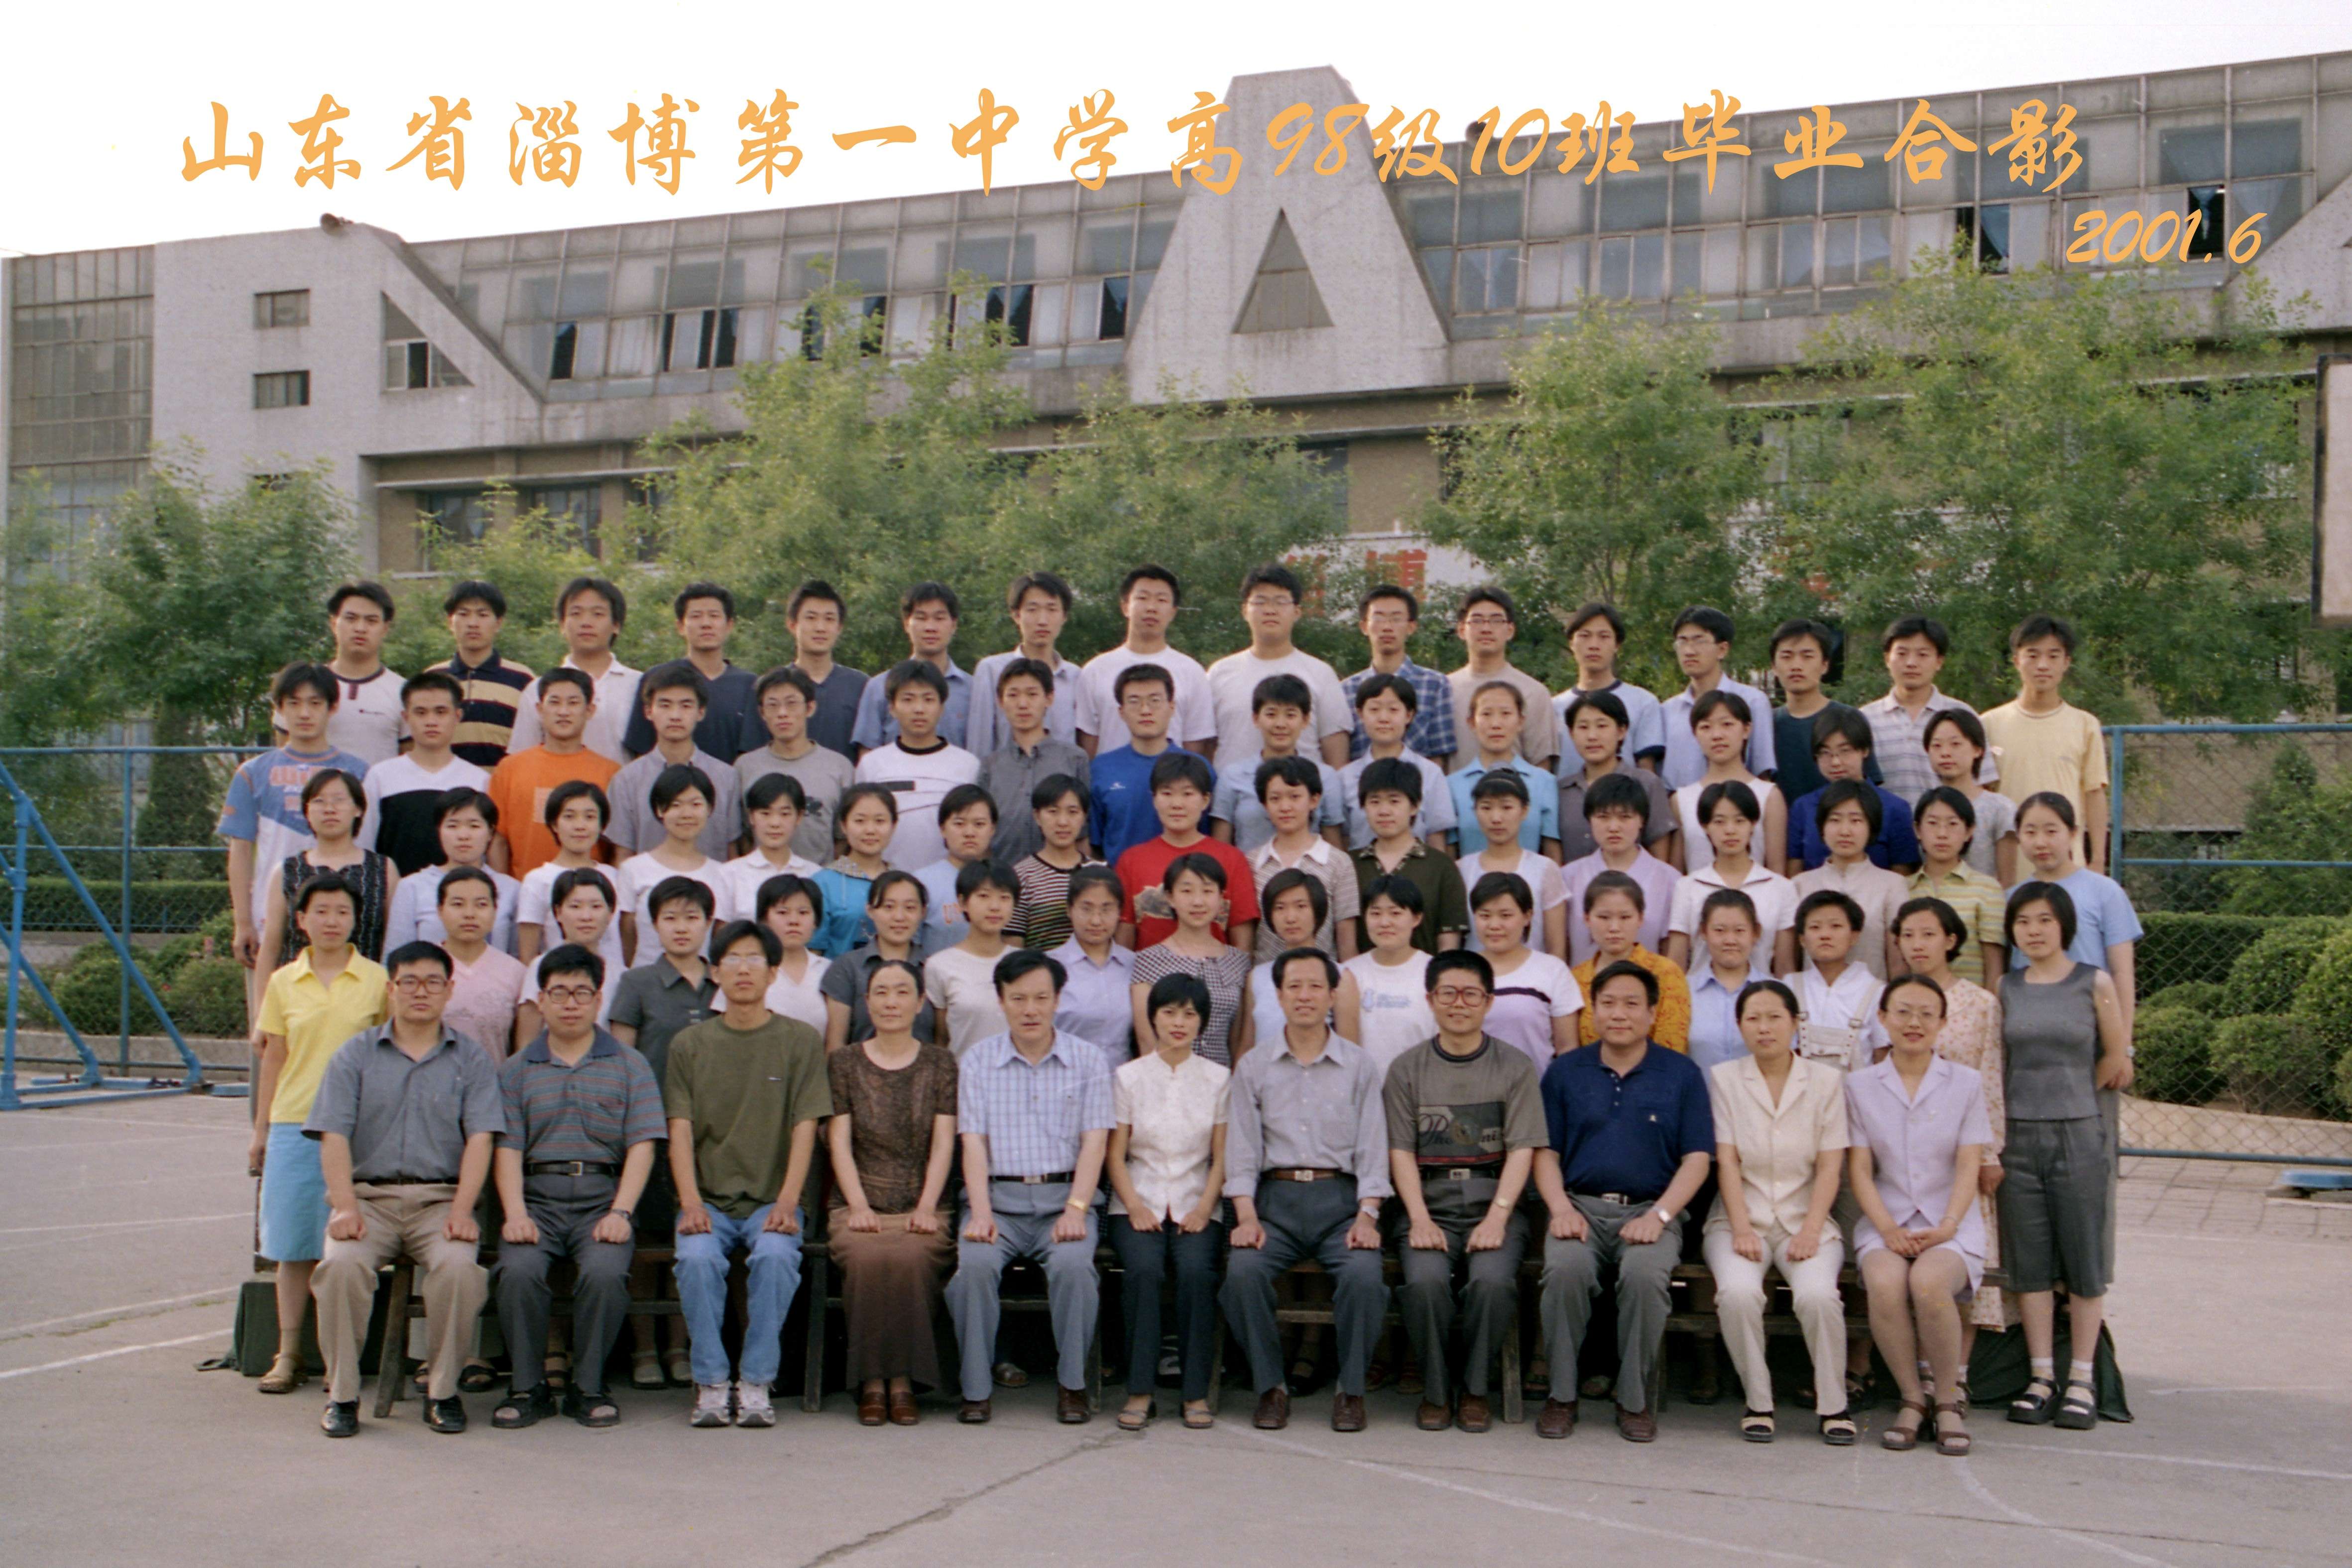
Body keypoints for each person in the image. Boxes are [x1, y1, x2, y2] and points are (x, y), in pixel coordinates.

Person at [304, 939, 502, 1437]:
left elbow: (481, 1139)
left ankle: (442, 1391)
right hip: (368, 1202)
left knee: (460, 1271)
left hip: (440, 1202)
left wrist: (463, 1209)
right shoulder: (355, 1055)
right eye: (408, 982)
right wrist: (344, 1207)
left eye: (433, 982)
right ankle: (342, 1396)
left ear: (449, 990)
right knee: (340, 1268)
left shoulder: (470, 1059)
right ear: (391, 989)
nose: (420, 992)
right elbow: (333, 1135)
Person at [1532, 959, 1714, 1442]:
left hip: (1650, 1210)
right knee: (1564, 1272)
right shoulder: (1565, 1072)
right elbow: (1545, 1153)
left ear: (1653, 1013)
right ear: (1592, 1011)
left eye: (1632, 1004)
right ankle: (1561, 1395)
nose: (1619, 1014)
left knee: (1644, 1278)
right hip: (1579, 1208)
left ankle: (1633, 1399)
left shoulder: (1681, 1073)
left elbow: (1697, 1159)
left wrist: (1659, 1215)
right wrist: (1560, 1209)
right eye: (1608, 1003)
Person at [490, 943, 664, 1431]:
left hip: (602, 1201)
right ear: (541, 1001)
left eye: (582, 993)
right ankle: (527, 1387)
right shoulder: (516, 1070)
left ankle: (589, 1386)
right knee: (518, 1271)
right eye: (559, 992)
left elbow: (643, 1145)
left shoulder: (630, 1064)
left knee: (605, 1274)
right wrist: (515, 1214)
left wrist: (621, 1213)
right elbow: (507, 1149)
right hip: (537, 1201)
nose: (571, 1003)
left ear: (598, 999)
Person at [666, 920, 832, 1429]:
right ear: (714, 972)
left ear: (773, 972)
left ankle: (757, 1380)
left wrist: (788, 1201)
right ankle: (712, 1382)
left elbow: (805, 1126)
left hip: (772, 1200)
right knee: (695, 1259)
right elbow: (679, 1130)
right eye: (732, 960)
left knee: (777, 1256)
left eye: (755, 959)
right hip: (707, 1200)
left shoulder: (799, 1040)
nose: (743, 970)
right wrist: (690, 1202)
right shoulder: (690, 1044)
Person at [1221, 948, 1392, 1433]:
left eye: (1315, 986)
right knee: (1242, 1274)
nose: (1304, 996)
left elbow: (1372, 1146)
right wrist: (1246, 1216)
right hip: (1273, 1205)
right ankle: (1270, 1387)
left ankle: (1350, 1390)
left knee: (1364, 1277)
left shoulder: (1358, 1065)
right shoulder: (1254, 1066)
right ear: (1278, 996)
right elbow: (1242, 1147)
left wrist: (1367, 1215)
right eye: (1293, 986)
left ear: (1333, 995)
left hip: (1339, 1204)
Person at [948, 949, 1115, 1424]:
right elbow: (973, 1142)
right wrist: (981, 1211)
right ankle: (975, 1389)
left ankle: (1073, 1385)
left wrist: (1076, 1208)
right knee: (973, 1267)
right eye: (1018, 998)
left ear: (1058, 999)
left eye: (1041, 998)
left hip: (1063, 1201)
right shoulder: (979, 1061)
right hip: (997, 1203)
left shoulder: (1088, 1059)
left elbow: (1095, 1142)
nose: (1030, 1009)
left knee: (1074, 1268)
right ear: (1001, 1001)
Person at [1385, 949, 1544, 1434]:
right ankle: (1436, 1392)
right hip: (1427, 1202)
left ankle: (1475, 1389)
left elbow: (1522, 1149)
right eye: (1448, 993)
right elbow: (1399, 1152)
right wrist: (1418, 1219)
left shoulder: (1514, 1066)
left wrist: (1498, 1217)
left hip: (1493, 1201)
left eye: (1471, 994)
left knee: (1492, 1283)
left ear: (1488, 1002)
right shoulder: (1406, 1069)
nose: (1459, 1004)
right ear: (1430, 999)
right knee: (1425, 1282)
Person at [246, 873, 391, 1399]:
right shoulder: (284, 982)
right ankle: (288, 1353)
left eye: (342, 912)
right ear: (301, 920)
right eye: (321, 911)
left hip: (357, 1131)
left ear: (357, 921)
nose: (332, 921)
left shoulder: (378, 980)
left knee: (345, 1248)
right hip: (294, 1124)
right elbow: (274, 1059)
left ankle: (339, 1360)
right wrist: (262, 1130)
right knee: (293, 1247)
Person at [1999, 882, 2132, 1434]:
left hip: (2078, 1135)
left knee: (2083, 1260)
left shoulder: (2093, 982)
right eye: (2023, 921)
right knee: (2029, 1264)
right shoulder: (2006, 988)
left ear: (2064, 926)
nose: (2033, 931)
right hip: (2017, 1139)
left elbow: (2114, 1057)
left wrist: (2072, 1101)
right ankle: (2040, 1377)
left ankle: (2081, 1379)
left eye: (2044, 920)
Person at [1847, 973, 1996, 1456]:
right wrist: (1887, 1229)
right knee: (1885, 1283)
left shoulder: (1965, 1083)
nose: (1914, 1022)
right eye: (1903, 1012)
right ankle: (1912, 1399)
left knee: (1929, 1284)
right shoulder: (1859, 1085)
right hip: (1886, 1220)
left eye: (1926, 1014)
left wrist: (1947, 1226)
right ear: (1883, 1018)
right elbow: (1860, 1169)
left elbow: (1969, 1164)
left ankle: (1947, 1400)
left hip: (1950, 1221)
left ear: (1942, 1023)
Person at [1704, 978, 1856, 1445]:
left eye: (1775, 1018)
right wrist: (1742, 1228)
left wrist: (1811, 1230)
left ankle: (1834, 1405)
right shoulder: (1725, 1078)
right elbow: (1727, 1160)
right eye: (1753, 1018)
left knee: (1818, 1297)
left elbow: (1830, 1166)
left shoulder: (1826, 1081)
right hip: (1738, 1217)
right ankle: (1758, 1401)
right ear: (1740, 1026)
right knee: (1738, 1294)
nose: (1764, 1028)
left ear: (1795, 1024)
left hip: (1805, 1218)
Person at [826, 957, 960, 1426]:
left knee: (910, 1256)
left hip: (924, 1203)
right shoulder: (844, 1062)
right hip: (857, 1202)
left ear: (921, 1002)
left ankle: (902, 1382)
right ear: (867, 1002)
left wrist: (927, 1206)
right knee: (866, 1257)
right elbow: (839, 1142)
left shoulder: (941, 1063)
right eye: (881, 992)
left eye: (903, 992)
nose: (891, 1002)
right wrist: (858, 1205)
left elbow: (944, 1143)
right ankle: (870, 1383)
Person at [1106, 971, 1232, 1430]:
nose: (1179, 1022)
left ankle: (1195, 1393)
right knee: (1143, 1271)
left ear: (1203, 1022)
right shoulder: (1129, 1077)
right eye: (1169, 1012)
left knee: (1197, 1273)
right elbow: (1115, 1156)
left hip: (1197, 1202)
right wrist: (1135, 1206)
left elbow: (1221, 1157)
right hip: (1135, 1201)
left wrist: (1203, 1209)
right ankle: (1140, 1391)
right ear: (1153, 1018)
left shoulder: (1219, 1079)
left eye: (1190, 1014)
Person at [1896, 895, 2009, 1353]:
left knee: (1957, 1263)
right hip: (1903, 1149)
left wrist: (1989, 1152)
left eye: (1928, 934)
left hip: (1962, 1150)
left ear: (1951, 940)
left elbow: (1990, 1077)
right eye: (1908, 935)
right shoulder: (1893, 1001)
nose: (1918, 944)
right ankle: (1917, 1367)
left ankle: (1954, 1373)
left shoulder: (1980, 1003)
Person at [221, 663, 372, 1004]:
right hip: (270, 926)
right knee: (269, 1023)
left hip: (339, 927)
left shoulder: (359, 773)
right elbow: (240, 851)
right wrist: (243, 923)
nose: (305, 713)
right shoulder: (253, 773)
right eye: (294, 703)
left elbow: (368, 847)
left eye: (315, 703)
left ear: (333, 708)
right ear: (279, 709)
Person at [1982, 615, 2109, 873]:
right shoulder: (1988, 724)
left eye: (2053, 656)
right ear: (2017, 661)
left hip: (2067, 868)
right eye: (2033, 655)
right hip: (2005, 868)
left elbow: (2094, 794)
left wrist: (2097, 860)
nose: (2043, 665)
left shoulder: (2085, 725)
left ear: (2066, 663)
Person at [2011, 792, 2140, 1024]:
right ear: (2019, 837)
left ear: (2073, 834)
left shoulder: (2105, 892)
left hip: (2088, 1023)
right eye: (2030, 833)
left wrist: (2123, 1038)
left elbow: (2122, 972)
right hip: (2026, 1025)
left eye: (2051, 832)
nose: (2040, 842)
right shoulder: (2012, 897)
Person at [1208, 564, 1353, 768]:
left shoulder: (1321, 673)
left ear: (1297, 612)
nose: (1270, 610)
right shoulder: (1219, 673)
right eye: (1260, 601)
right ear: (1245, 611)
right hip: (1235, 788)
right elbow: (1206, 745)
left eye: (1280, 602)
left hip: (1300, 786)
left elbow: (1336, 752)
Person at [1114, 752, 1258, 952]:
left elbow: (1242, 937)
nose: (1177, 804)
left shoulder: (1231, 859)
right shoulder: (1132, 860)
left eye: (1188, 794)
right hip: (1149, 972)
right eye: (1167, 794)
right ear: (1154, 799)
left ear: (1205, 800)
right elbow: (1124, 934)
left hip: (1215, 970)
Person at [487, 669, 623, 881]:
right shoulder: (510, 769)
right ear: (540, 709)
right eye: (555, 702)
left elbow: (617, 847)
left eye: (573, 703)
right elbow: (498, 840)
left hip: (588, 893)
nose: (563, 712)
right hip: (523, 890)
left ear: (590, 710)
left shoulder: (611, 773)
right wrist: (503, 890)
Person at [257, 769, 394, 973]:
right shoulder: (286, 871)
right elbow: (271, 947)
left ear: (358, 809)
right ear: (307, 811)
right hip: (299, 987)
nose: (330, 809)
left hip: (366, 985)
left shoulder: (384, 869)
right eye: (319, 801)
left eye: (339, 800)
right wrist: (263, 994)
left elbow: (393, 941)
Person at [1075, 565, 1218, 760]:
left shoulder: (1192, 672)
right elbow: (1088, 745)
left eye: (1161, 600)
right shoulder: (1095, 670)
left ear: (1173, 612)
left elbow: (1196, 745)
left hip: (1172, 777)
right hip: (1112, 777)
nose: (1152, 607)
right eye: (1142, 598)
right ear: (1125, 607)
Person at [606, 665, 744, 862]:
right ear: (648, 711)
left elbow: (732, 852)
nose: (675, 716)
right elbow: (623, 855)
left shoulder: (726, 778)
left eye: (686, 706)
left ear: (701, 712)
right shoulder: (626, 780)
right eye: (665, 705)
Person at [854, 660, 982, 870]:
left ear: (942, 707)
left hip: (950, 882)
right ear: (892, 708)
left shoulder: (968, 765)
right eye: (908, 700)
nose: (919, 709)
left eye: (928, 700)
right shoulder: (872, 765)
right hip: (886, 883)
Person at [1131, 854, 1255, 1067]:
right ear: (1170, 897)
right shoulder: (1148, 960)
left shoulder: (1238, 962)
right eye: (1187, 891)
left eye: (1207, 891)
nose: (1198, 902)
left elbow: (1236, 1041)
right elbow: (1146, 1040)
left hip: (1220, 1079)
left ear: (1221, 898)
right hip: (1165, 1079)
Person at [358, 672, 487, 876]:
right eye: (421, 713)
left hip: (462, 892)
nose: (431, 721)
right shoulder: (381, 776)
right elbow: (365, 845)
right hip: (396, 891)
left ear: (458, 716)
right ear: (406, 717)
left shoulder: (478, 780)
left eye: (441, 712)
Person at [506, 576, 641, 765]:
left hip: (622, 783)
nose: (586, 623)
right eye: (576, 613)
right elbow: (522, 759)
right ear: (562, 625)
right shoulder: (538, 689)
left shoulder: (639, 685)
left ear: (616, 626)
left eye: (598, 614)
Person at [1666, 782, 1798, 973]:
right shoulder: (1687, 887)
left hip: (1762, 990)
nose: (1730, 830)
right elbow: (1676, 961)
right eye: (1719, 822)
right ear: (1705, 826)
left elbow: (1785, 965)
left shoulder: (1781, 888)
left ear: (1753, 824)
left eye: (1740, 821)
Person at [1346, 758, 1468, 956]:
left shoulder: (1440, 866)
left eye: (1394, 801)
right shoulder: (1349, 864)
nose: (1384, 811)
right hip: (1363, 973)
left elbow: (1449, 938)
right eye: (1374, 802)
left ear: (1415, 806)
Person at [1088, 664, 1207, 866]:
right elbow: (1094, 842)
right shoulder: (1101, 769)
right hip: (1120, 879)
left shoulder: (1197, 767)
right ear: (1121, 711)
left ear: (1172, 707)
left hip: (1186, 880)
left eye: (1155, 701)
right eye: (1134, 702)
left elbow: (1208, 836)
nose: (1145, 710)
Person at [623, 584, 757, 764]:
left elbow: (755, 752)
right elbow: (641, 748)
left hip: (731, 780)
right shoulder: (657, 678)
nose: (706, 624)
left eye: (714, 616)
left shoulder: (749, 685)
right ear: (680, 626)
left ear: (729, 625)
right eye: (696, 616)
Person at [1861, 615, 1986, 807]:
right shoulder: (1865, 719)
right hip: (1884, 826)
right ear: (1887, 659)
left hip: (1946, 825)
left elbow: (1984, 782)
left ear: (1939, 661)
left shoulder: (1962, 715)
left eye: (1923, 655)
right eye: (1902, 653)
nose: (1911, 663)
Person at [975, 656, 1090, 864]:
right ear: (1000, 701)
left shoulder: (1074, 759)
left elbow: (1084, 832)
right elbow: (981, 832)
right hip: (1004, 874)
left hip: (1060, 876)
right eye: (1013, 695)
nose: (1023, 704)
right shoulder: (990, 766)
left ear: (1049, 698)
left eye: (1032, 694)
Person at [734, 665, 853, 864]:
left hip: (819, 878)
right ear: (762, 712)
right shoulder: (745, 767)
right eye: (773, 705)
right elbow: (742, 836)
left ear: (810, 708)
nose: (782, 713)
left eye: (792, 704)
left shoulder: (840, 767)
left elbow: (843, 838)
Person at [1212, 677, 1348, 852]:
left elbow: (1333, 845)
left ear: (1305, 720)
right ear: (1256, 718)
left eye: (1290, 715)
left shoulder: (1325, 777)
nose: (1280, 724)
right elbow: (1221, 847)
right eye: (1271, 714)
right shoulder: (1232, 776)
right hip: (1248, 868)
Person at [1244, 756, 1359, 960]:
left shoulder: (1338, 862)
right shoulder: (1251, 863)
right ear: (1265, 804)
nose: (1285, 807)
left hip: (1321, 974)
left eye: (1295, 797)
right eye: (1275, 799)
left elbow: (1347, 944)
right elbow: (1247, 937)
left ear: (1314, 800)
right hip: (1266, 974)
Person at [614, 766, 733, 961]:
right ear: (660, 810)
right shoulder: (633, 869)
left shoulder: (722, 873)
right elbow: (627, 939)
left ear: (709, 809)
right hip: (646, 975)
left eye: (696, 804)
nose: (686, 814)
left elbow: (719, 940)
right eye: (676, 805)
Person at [1791, 782, 1908, 978]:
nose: (1845, 831)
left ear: (1872, 827)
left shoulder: (1892, 885)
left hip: (1873, 994)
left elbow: (1898, 964)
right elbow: (1792, 961)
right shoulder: (1799, 885)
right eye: (1835, 820)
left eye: (1856, 821)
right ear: (1822, 827)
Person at [1560, 774, 1680, 965]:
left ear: (1642, 821)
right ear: (1589, 820)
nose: (1614, 827)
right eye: (1603, 817)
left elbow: (1670, 953)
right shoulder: (1568, 878)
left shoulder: (1670, 880)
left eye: (1625, 817)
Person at [381, 789, 519, 954]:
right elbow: (395, 955)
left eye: (474, 826)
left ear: (490, 832)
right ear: (439, 831)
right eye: (452, 826)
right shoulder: (412, 887)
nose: (463, 836)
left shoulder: (511, 888)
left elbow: (517, 956)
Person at [1785, 708, 1921, 873]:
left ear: (1865, 750)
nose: (1835, 762)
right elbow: (1794, 872)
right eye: (1826, 753)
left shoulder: (1895, 809)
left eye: (1845, 751)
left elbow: (1903, 875)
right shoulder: (1803, 807)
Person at [1467, 873, 1582, 1066]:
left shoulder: (1553, 971)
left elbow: (1567, 1048)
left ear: (1527, 916)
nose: (1494, 925)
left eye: (1506, 916)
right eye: (1485, 916)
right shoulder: (1461, 972)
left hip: (1537, 1083)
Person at [1568, 873, 1690, 1051]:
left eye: (1625, 917)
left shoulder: (1665, 972)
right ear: (1587, 919)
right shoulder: (1575, 979)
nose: (1614, 928)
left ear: (1640, 918)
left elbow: (1672, 1046)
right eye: (1604, 918)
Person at [968, 571, 1083, 759]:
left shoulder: (1076, 676)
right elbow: (979, 743)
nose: (1042, 621)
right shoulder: (992, 670)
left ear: (1064, 617)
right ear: (1016, 615)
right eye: (1032, 610)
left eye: (1052, 609)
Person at [1670, 690, 1786, 875]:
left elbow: (1777, 871)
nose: (1717, 735)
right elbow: (1677, 874)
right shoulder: (1681, 800)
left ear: (1746, 730)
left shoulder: (1769, 796)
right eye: (1706, 727)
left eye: (1727, 725)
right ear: (1695, 734)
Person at [1659, 607, 1775, 790]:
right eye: (1682, 642)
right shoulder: (1667, 710)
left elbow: (1762, 770)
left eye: (1699, 641)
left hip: (1737, 804)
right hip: (1680, 804)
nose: (1689, 651)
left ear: (1722, 650)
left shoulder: (1753, 701)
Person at [1337, 672, 1457, 851]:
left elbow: (1437, 836)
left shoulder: (1430, 773)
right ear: (1360, 714)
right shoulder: (1344, 778)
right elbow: (1344, 838)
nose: (1384, 718)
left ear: (1409, 715)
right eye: (1374, 710)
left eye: (1393, 710)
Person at [822, 870, 940, 1049]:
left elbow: (941, 1042)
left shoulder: (934, 968)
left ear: (923, 912)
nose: (899, 917)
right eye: (889, 907)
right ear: (870, 911)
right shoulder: (847, 968)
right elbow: (835, 1043)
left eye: (910, 908)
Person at [851, 582, 975, 754]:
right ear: (906, 624)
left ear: (954, 625)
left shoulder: (973, 689)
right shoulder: (879, 687)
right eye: (921, 618)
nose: (930, 628)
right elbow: (867, 754)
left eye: (939, 618)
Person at [1765, 618, 1880, 803]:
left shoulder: (1849, 718)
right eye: (1787, 657)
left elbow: (1869, 786)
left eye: (1807, 656)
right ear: (1774, 667)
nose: (1796, 666)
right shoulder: (1766, 724)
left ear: (1825, 665)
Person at [1342, 583, 1456, 767]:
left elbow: (1439, 754)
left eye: (1396, 619)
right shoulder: (1347, 689)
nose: (1387, 627)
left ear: (1411, 626)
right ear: (1364, 626)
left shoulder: (1435, 684)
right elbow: (1344, 754)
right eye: (1378, 618)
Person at [1555, 689, 1675, 864]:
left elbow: (1660, 854)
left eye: (1602, 726)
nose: (1592, 736)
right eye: (1583, 727)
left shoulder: (1647, 784)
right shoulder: (1561, 791)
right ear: (1572, 734)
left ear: (1621, 731)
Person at [1446, 586, 1560, 769]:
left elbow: (1541, 765)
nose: (1486, 629)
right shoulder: (1444, 689)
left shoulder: (1533, 692)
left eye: (1496, 621)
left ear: (1510, 630)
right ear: (1461, 630)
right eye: (1477, 621)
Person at [428, 579, 535, 769]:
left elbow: (533, 744)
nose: (473, 623)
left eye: (483, 615)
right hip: (443, 785)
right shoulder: (432, 679)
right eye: (464, 614)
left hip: (503, 785)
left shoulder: (523, 680)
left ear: (498, 623)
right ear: (450, 622)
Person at [1458, 775, 1568, 959]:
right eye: (1486, 808)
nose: (1496, 818)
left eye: (1507, 808)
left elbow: (1556, 948)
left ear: (1524, 811)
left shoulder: (1545, 869)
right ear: (1475, 811)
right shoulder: (1462, 870)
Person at [1448, 681, 1563, 857]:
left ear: (1521, 721)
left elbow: (1552, 851)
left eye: (1506, 714)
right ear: (1471, 723)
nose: (1496, 724)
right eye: (1486, 714)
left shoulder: (1544, 782)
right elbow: (1449, 853)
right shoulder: (1452, 785)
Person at [1549, 601, 1665, 773]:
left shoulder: (1643, 702)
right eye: (1585, 636)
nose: (1594, 645)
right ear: (1571, 643)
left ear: (1617, 645)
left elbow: (1647, 771)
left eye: (1604, 637)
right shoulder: (1553, 707)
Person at [514, 781, 617, 971]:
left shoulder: (614, 876)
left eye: (590, 817)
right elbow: (528, 956)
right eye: (569, 817)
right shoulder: (537, 880)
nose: (580, 826)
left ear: (602, 825)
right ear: (554, 824)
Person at [1910, 788, 2008, 987]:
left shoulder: (1987, 889)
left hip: (1970, 1002)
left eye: (1953, 824)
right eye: (1933, 823)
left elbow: (1994, 963)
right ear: (1918, 830)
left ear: (1969, 831)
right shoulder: (1903, 888)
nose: (1942, 834)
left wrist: (1990, 1002)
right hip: (1916, 1001)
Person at [1339, 876, 1436, 1075]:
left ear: (1416, 918)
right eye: (1375, 913)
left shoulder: (1435, 972)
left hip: (1422, 1087)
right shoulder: (1349, 974)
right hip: (1367, 1089)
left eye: (1395, 913)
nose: (1385, 923)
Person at [1245, 869, 1351, 1048]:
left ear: (1317, 911)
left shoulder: (1342, 976)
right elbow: (1247, 1045)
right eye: (1280, 908)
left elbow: (1350, 1050)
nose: (1291, 918)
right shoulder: (1257, 977)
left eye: (1301, 907)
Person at [926, 861, 1021, 1056]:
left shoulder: (1025, 964)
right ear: (963, 902)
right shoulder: (940, 965)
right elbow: (941, 1039)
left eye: (1004, 898)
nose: (995, 907)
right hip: (963, 1071)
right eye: (984, 896)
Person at [1790, 889, 1887, 1075]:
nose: (1825, 935)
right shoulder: (1790, 986)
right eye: (1815, 927)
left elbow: (1882, 1057)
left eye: (1836, 926)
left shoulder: (1876, 991)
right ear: (1802, 939)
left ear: (1854, 936)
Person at [516, 869, 623, 1037]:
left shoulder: (620, 974)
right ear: (558, 913)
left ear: (610, 914)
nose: (586, 916)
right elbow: (527, 1040)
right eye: (575, 906)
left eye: (596, 906)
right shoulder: (540, 966)